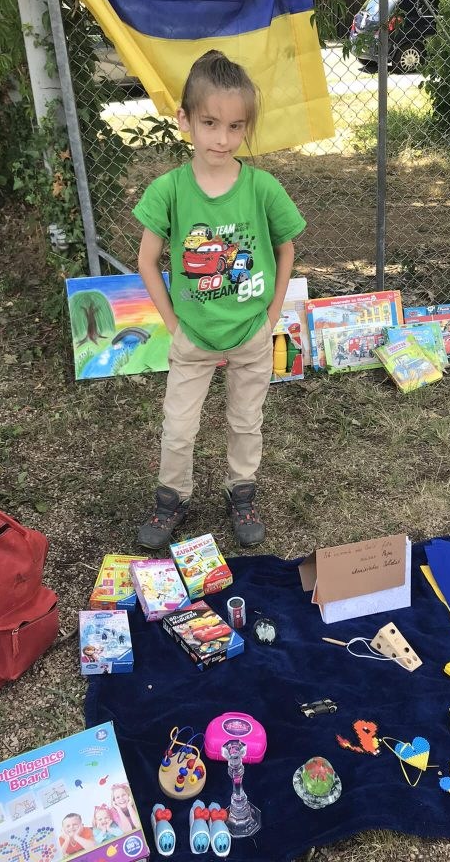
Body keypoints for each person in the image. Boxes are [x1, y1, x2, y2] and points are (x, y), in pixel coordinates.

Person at [133, 50, 305, 549]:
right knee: (178, 428)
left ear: (247, 128)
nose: (222, 139)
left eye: (235, 127)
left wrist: (270, 315)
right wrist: (175, 324)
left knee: (246, 422)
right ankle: (171, 499)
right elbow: (147, 260)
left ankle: (241, 491)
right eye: (210, 123)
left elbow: (287, 248)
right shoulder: (169, 190)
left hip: (251, 333)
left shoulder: (262, 187)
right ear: (185, 119)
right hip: (194, 337)